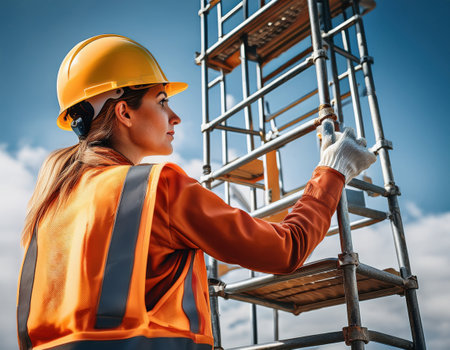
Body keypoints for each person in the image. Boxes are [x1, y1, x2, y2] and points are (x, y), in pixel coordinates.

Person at [17, 34, 376, 350]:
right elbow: (285, 250)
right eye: (161, 101)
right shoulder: (156, 189)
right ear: (124, 112)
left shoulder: (48, 211)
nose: (175, 117)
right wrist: (333, 170)